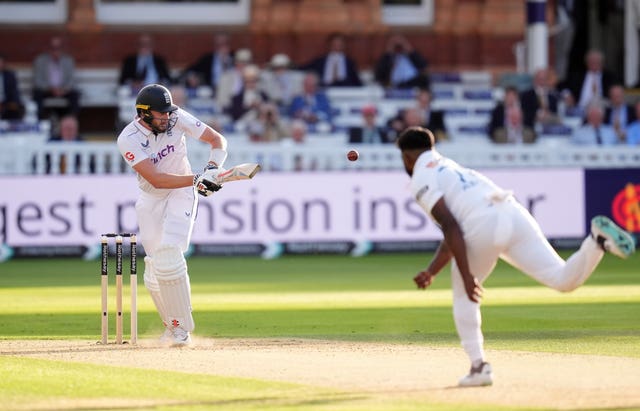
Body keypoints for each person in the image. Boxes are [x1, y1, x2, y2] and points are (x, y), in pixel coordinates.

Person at [396, 126, 636, 387]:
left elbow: (452, 227)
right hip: (510, 212)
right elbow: (453, 229)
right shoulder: (450, 166)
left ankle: (479, 367)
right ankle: (595, 241)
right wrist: (432, 271)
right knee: (563, 279)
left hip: (481, 224)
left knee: (464, 295)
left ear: (407, 157)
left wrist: (467, 276)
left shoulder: (421, 177)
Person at [116, 84, 228, 347]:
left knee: (170, 255)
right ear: (143, 114)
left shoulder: (176, 117)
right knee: (154, 267)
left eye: (168, 112)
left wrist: (212, 169)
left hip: (182, 193)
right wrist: (198, 178)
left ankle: (181, 330)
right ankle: (172, 326)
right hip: (152, 196)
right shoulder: (128, 138)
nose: (166, 118)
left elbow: (217, 140)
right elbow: (156, 180)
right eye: (160, 114)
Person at [32, 35, 80, 120]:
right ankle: (40, 122)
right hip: (46, 91)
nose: (55, 51)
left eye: (58, 48)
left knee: (75, 94)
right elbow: (37, 80)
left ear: (61, 49)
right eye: (53, 48)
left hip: (63, 91)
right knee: (36, 94)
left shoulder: (68, 60)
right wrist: (51, 89)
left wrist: (63, 90)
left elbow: (71, 80)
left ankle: (71, 122)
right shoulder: (40, 60)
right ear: (48, 49)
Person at [0, 54, 25, 121]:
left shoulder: (10, 76)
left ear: (4, 64)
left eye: (1, 62)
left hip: (6, 104)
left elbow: (14, 92)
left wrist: (14, 103)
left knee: (16, 109)